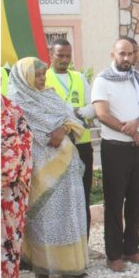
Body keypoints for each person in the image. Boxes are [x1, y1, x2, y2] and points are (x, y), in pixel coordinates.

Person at [8, 57, 88, 278]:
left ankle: (72, 265)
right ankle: (42, 268)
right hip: (38, 168)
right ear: (24, 77)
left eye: (43, 74)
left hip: (66, 167)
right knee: (42, 217)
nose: (42, 79)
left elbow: (72, 119)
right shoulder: (15, 104)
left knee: (69, 213)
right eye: (37, 75)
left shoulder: (51, 95)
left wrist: (62, 128)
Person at [92, 39, 139, 272]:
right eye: (122, 54)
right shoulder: (102, 80)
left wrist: (138, 123)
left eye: (130, 54)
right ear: (113, 55)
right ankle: (114, 254)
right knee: (115, 202)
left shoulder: (138, 79)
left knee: (136, 200)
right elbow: (102, 114)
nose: (127, 58)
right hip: (115, 148)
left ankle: (131, 249)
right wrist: (131, 131)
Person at [44, 39, 98, 245]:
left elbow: (92, 107)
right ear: (51, 54)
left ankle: (83, 245)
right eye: (60, 55)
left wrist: (76, 113)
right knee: (58, 196)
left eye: (68, 56)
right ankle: (60, 245)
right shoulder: (44, 78)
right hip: (56, 146)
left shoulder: (79, 77)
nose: (65, 60)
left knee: (82, 193)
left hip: (82, 145)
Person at [1, 94, 33, 278]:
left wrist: (13, 168)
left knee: (10, 238)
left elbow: (26, 138)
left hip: (11, 189)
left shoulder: (12, 108)